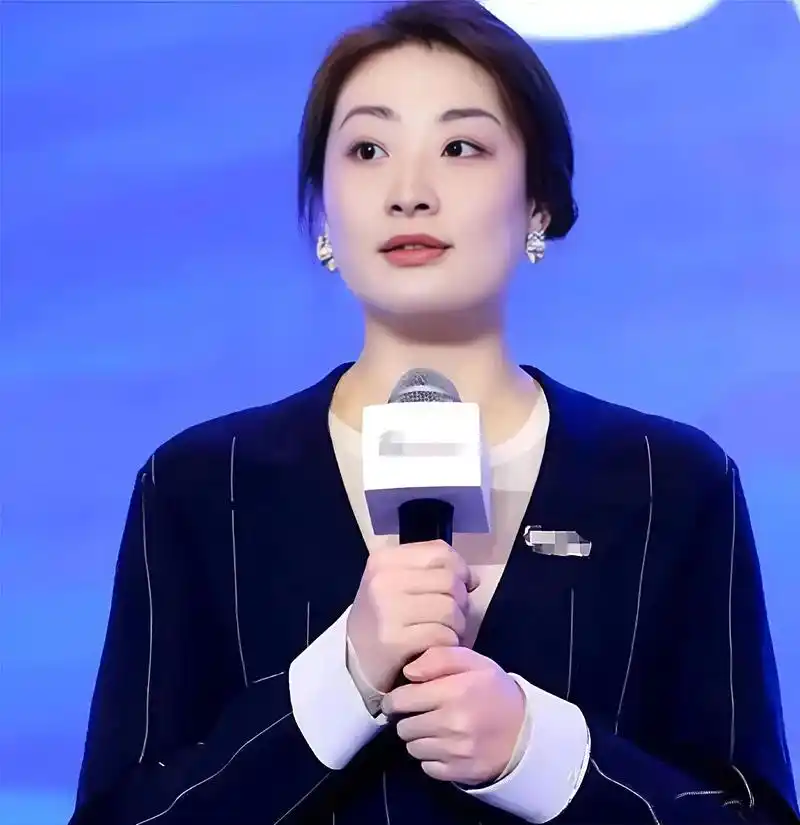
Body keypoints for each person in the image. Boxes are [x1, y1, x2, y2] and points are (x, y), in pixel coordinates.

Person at [69, 1, 798, 823]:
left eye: (460, 148)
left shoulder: (669, 484)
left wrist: (537, 751)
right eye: (368, 150)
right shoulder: (203, 487)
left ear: (538, 204)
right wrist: (342, 679)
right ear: (323, 213)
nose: (409, 193)